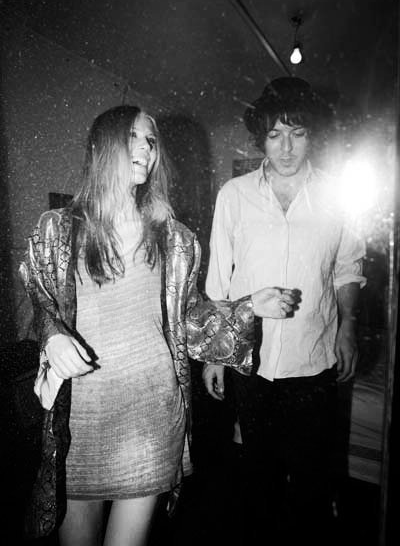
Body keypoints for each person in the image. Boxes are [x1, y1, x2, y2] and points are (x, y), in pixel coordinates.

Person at [19, 104, 297, 546]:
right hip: (79, 420)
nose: (146, 149)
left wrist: (248, 308)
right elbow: (41, 298)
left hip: (150, 414)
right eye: (132, 136)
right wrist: (53, 335)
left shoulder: (174, 239)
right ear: (101, 146)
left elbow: (189, 321)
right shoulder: (58, 230)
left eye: (151, 141)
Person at [203, 77, 366, 545]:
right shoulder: (233, 195)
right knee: (257, 476)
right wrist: (216, 354)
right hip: (251, 363)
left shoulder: (337, 195)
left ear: (313, 135)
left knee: (312, 481)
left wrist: (349, 326)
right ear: (262, 138)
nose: (287, 147)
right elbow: (218, 280)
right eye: (275, 134)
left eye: (297, 133)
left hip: (314, 360)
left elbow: (348, 268)